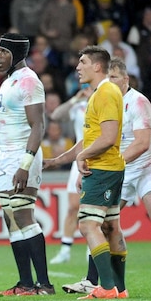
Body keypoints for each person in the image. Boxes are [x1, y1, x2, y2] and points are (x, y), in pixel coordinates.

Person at [64, 58, 151, 295]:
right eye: (109, 78)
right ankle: (93, 280)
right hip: (120, 170)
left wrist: (107, 166)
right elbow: (92, 138)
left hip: (145, 168)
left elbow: (140, 143)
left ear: (126, 79)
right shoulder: (106, 98)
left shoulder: (137, 102)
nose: (111, 81)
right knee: (101, 223)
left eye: (115, 77)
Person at [43, 46, 125, 300]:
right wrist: (60, 159)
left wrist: (81, 157)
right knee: (110, 228)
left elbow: (109, 137)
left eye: (83, 62)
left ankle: (107, 287)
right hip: (107, 167)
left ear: (98, 66)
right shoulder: (99, 94)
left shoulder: (106, 93)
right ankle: (119, 289)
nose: (78, 67)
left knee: (88, 225)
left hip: (103, 169)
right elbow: (91, 138)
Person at [0, 33, 53, 297]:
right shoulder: (8, 82)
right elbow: (2, 130)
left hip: (23, 156)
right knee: (11, 218)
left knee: (23, 214)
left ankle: (44, 284)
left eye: (3, 52)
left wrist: (26, 163)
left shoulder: (30, 82)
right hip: (6, 157)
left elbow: (38, 125)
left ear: (17, 55)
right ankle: (25, 283)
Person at [49, 84, 92, 266]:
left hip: (99, 157)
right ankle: (65, 249)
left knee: (95, 209)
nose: (88, 89)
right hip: (79, 157)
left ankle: (92, 249)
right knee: (73, 206)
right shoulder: (79, 106)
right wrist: (75, 99)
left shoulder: (106, 101)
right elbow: (55, 115)